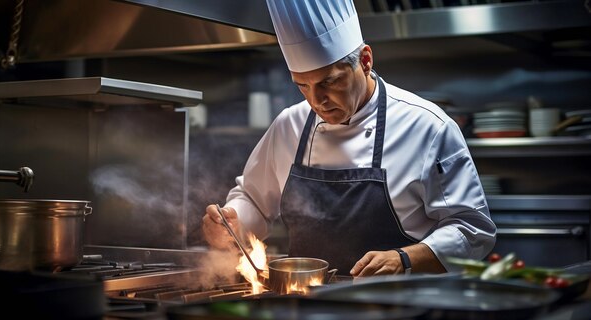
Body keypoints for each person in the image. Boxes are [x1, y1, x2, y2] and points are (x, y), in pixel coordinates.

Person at [202, 0, 496, 277]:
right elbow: (253, 199)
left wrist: (404, 258)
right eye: (302, 85)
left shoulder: (427, 127)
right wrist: (234, 222)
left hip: (402, 304)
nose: (317, 101)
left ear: (365, 60)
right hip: (307, 306)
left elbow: (473, 230)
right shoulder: (289, 124)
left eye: (329, 82)